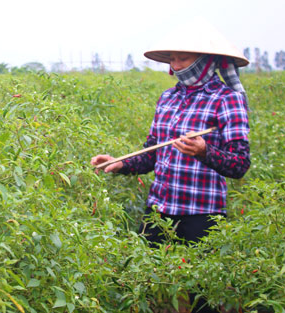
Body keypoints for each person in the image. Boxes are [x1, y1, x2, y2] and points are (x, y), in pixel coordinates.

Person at [90, 18, 250, 312]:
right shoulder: (167, 98)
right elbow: (152, 153)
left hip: (202, 213)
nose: (176, 64)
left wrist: (204, 151)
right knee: (134, 280)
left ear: (205, 60)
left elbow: (240, 163)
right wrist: (120, 163)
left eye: (183, 58)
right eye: (173, 58)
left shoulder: (227, 100)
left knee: (203, 295)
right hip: (159, 209)